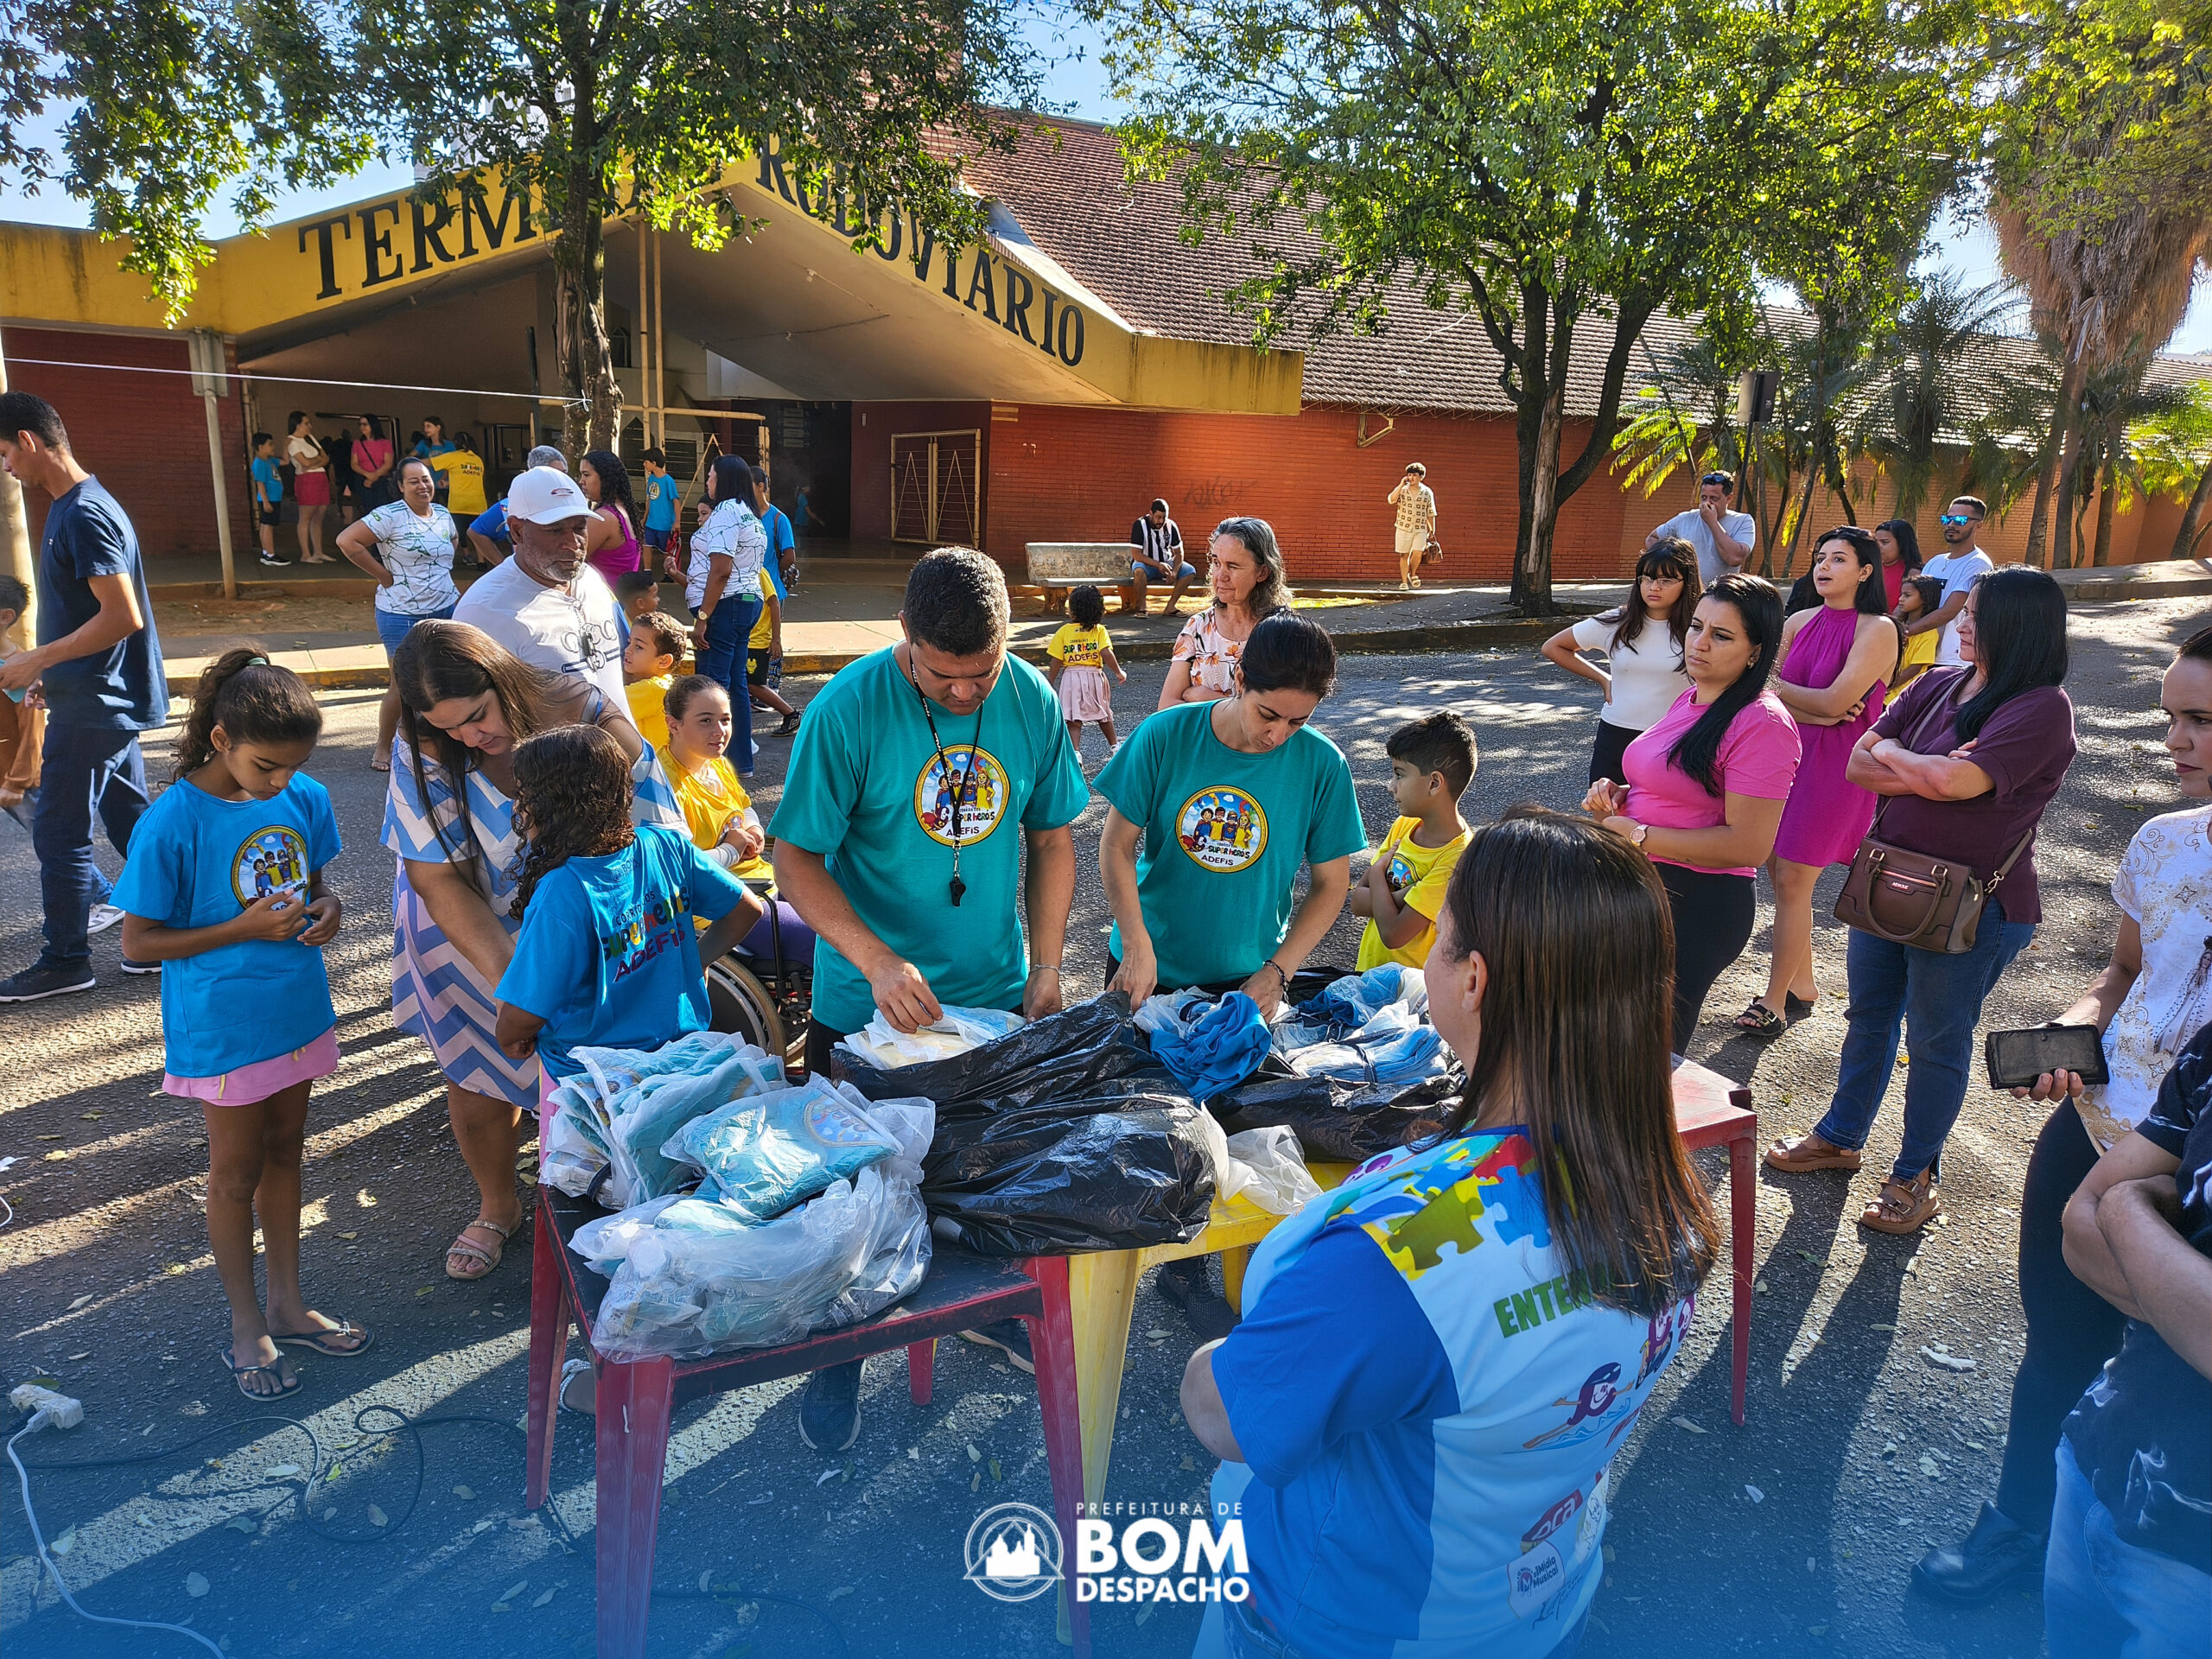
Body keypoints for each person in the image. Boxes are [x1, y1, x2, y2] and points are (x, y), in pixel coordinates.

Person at [1180, 808, 1720, 1659]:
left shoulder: (1397, 1259)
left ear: (1472, 980)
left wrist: (1209, 1359)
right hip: (1541, 1602)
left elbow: (1231, 1418)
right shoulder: (1662, 1188)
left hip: (1350, 1625)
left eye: (1438, 943)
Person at [1916, 624, 2212, 1605]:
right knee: (2056, 1353)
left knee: (2177, 1382)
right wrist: (2073, 1031)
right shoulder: (2164, 842)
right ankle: (2020, 1528)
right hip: (2092, 1131)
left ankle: (2146, 1568)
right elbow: (2123, 973)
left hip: (2190, 1174)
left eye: (2203, 720)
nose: (2176, 741)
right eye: (2171, 716)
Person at [770, 549, 1086, 1449]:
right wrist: (875, 960)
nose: (964, 691)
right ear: (904, 637)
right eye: (942, 675)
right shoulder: (847, 708)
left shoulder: (1029, 698)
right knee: (851, 1202)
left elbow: (1051, 840)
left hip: (989, 999)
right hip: (864, 1010)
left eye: (981, 672)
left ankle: (984, 1312)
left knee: (978, 1182)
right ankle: (839, 1354)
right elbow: (796, 860)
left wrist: (1047, 966)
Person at [1766, 567, 2076, 1233]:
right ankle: (1840, 1138)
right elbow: (1858, 762)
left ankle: (1915, 1175)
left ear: (2016, 626)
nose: (1960, 622)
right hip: (1888, 881)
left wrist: (1902, 757)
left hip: (1975, 905)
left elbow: (1956, 784)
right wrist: (1927, 766)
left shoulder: (2042, 707)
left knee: (1937, 1040)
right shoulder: (1937, 683)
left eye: (1976, 616)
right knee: (1868, 1018)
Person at [385, 620, 678, 1281]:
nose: (470, 737)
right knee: (478, 1079)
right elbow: (437, 878)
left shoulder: (582, 709)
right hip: (468, 933)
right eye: (448, 727)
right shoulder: (425, 745)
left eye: (477, 716)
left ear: (503, 680)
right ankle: (499, 1205)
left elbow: (653, 839)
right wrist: (518, 986)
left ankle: (611, 1200)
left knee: (605, 1084)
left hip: (590, 927)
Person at [111, 649, 366, 1396]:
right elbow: (138, 943)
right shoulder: (173, 821)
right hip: (223, 1025)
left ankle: (287, 1305)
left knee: (286, 1151)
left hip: (296, 1007)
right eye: (266, 766)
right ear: (221, 739)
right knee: (235, 1173)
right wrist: (244, 929)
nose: (281, 782)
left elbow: (315, 884)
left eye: (294, 766)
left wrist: (328, 909)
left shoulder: (304, 794)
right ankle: (245, 1324)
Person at [1102, 613, 1363, 1338]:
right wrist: (1136, 942)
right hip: (1149, 970)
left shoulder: (1320, 764)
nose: (1280, 734)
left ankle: (1191, 1272)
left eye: (1299, 720)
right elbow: (1115, 847)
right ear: (1239, 678)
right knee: (1142, 1128)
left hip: (1244, 984)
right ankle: (1124, 1259)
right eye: (1268, 713)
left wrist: (1280, 969)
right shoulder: (1167, 736)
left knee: (1228, 1138)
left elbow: (1332, 885)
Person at [2046, 1022, 2212, 1656]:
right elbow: (2079, 1221)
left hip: (2195, 1557)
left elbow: (2105, 1208)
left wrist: (2127, 1211)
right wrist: (2186, 1305)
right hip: (2097, 1462)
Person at [1582, 574, 1798, 1060]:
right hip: (1641, 885)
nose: (1699, 643)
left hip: (1696, 902)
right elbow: (1672, 785)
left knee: (1644, 1056)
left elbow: (1749, 845)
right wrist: (1620, 794)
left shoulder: (1762, 722)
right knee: (1602, 1040)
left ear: (1755, 651)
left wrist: (1639, 834)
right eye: (1697, 627)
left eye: (1721, 636)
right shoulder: (1693, 696)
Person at [0, 391, 169, 1003]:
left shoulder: (83, 513)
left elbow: (122, 615)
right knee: (134, 826)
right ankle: (171, 933)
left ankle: (67, 961)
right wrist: (54, 673)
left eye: (4, 454)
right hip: (99, 694)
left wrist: (38, 658)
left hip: (99, 704)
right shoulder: (77, 506)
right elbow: (90, 615)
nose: (6, 468)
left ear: (28, 440)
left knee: (59, 832)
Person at [493, 723, 763, 1077]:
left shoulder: (562, 890)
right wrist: (695, 963)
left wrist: (508, 1036)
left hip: (595, 1081)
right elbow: (746, 909)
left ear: (549, 805)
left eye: (522, 793)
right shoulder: (667, 846)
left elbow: (525, 1012)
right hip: (682, 1058)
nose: (516, 805)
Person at [1738, 526, 1897, 1035]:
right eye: (1820, 557)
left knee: (1792, 879)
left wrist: (1792, 695)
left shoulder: (1879, 629)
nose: (1824, 567)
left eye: (1839, 559)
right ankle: (1802, 982)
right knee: (1777, 872)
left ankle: (1774, 1001)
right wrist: (1816, 711)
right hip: (1780, 755)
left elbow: (1834, 702)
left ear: (1865, 571)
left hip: (1836, 769)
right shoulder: (1798, 620)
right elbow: (1756, 685)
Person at [662, 673, 818, 963]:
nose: (720, 731)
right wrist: (731, 850)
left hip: (760, 883)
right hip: (720, 910)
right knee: (828, 938)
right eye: (706, 721)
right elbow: (677, 872)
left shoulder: (717, 764)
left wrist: (753, 827)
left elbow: (744, 806)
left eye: (725, 720)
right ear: (674, 725)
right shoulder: (664, 788)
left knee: (856, 910)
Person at [452, 465, 627, 708]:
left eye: (579, 527)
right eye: (555, 530)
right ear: (517, 530)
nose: (573, 543)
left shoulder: (590, 579)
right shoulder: (484, 611)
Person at [336, 455, 460, 774]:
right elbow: (347, 541)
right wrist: (383, 575)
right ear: (401, 486)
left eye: (426, 479)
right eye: (414, 481)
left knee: (446, 679)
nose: (422, 485)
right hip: (400, 612)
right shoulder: (389, 516)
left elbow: (453, 542)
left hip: (446, 607)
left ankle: (441, 742)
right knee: (402, 684)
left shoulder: (443, 514)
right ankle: (384, 743)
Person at [1541, 539, 1700, 785]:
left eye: (1666, 580)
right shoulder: (1617, 622)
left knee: (1662, 808)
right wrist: (1603, 678)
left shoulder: (1699, 628)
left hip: (1675, 737)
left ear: (1687, 582)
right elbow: (1553, 647)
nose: (1654, 587)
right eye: (1646, 578)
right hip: (1616, 735)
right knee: (1605, 806)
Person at [1351, 711, 1477, 971]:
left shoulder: (1458, 859)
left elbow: (1393, 934)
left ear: (1434, 783)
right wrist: (1402, 897)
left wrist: (1378, 874)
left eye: (1399, 774)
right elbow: (1357, 902)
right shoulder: (1405, 826)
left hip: (1412, 990)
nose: (1391, 786)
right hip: (1369, 975)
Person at [683, 454, 769, 772]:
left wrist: (702, 618)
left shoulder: (725, 512)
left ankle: (711, 766)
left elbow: (721, 570)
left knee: (713, 686)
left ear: (724, 480)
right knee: (736, 684)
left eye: (711, 476)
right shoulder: (750, 514)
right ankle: (740, 762)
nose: (707, 482)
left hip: (725, 605)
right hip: (747, 603)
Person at [1158, 517, 1292, 710]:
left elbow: (1279, 713)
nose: (1220, 576)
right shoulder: (1198, 627)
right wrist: (1238, 707)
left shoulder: (1282, 633)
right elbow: (1166, 707)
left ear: (1262, 573)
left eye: (1233, 566)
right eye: (1216, 563)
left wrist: (1206, 698)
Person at [1906, 495, 1996, 669]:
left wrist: (1905, 632)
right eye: (1947, 519)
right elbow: (1915, 602)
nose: (1951, 524)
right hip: (1923, 655)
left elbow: (1949, 611)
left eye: (1960, 520)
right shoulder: (1935, 561)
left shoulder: (1978, 563)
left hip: (1952, 660)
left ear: (1978, 525)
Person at [1046, 583, 1126, 761]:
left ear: (1073, 611)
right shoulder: (1099, 631)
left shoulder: (1063, 632)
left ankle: (1076, 752)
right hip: (1094, 676)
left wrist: (1050, 679)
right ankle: (1114, 746)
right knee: (1104, 714)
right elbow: (1106, 653)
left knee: (1073, 718)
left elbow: (1056, 659)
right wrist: (1118, 672)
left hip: (1071, 678)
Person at [1644, 469, 1756, 588]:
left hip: (1721, 593)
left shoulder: (1743, 521)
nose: (1707, 503)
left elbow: (1735, 558)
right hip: (1687, 593)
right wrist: (1672, 564)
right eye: (1704, 497)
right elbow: (1652, 538)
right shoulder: (1684, 518)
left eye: (1714, 499)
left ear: (1728, 498)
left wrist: (1712, 522)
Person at [467, 442, 568, 564]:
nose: (561, 478)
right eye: (554, 473)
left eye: (564, 473)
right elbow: (475, 532)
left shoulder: (571, 503)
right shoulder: (510, 505)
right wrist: (503, 565)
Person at [0, 573, 42, 830]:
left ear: (6, 617)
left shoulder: (16, 670)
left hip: (14, 780)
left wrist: (17, 782)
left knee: (49, 841)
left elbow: (33, 730)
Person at [622, 610, 687, 751]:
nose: (627, 650)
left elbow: (602, 703)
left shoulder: (653, 689)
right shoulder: (665, 685)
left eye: (638, 647)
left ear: (664, 661)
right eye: (629, 642)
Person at [579, 448, 643, 588]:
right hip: (619, 597)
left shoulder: (604, 518)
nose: (581, 481)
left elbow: (572, 562)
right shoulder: (623, 511)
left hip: (603, 598)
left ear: (605, 478)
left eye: (586, 475)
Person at [746, 581, 801, 734]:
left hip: (756, 641)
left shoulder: (759, 573)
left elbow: (774, 602)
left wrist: (776, 639)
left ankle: (791, 714)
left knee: (754, 685)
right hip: (744, 639)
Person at [1129, 499, 1196, 614]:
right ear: (1151, 514)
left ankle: (1170, 607)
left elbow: (1179, 553)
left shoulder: (1171, 526)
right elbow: (1136, 554)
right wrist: (1158, 565)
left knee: (1190, 571)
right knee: (1139, 571)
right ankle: (1142, 608)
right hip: (1146, 564)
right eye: (1158, 517)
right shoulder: (1140, 525)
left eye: (1164, 517)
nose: (1161, 521)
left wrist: (1174, 572)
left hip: (1167, 564)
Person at [284, 412, 335, 564]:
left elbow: (325, 458)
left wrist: (314, 462)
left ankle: (318, 551)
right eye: (306, 423)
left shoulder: (310, 438)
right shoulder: (292, 442)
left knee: (319, 515)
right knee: (306, 516)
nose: (310, 426)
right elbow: (304, 463)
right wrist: (316, 461)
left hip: (321, 477)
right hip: (306, 480)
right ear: (297, 425)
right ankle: (306, 554)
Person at [435, 432, 489, 557]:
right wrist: (447, 483)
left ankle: (465, 555)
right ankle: (481, 561)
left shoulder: (454, 457)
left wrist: (410, 462)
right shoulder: (478, 460)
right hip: (478, 504)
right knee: (478, 533)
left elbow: (431, 462)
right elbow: (469, 479)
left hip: (458, 504)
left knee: (458, 533)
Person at [1387, 462, 1436, 590]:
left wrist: (1432, 530)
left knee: (1418, 553)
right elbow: (1391, 500)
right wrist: (1400, 484)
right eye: (1409, 475)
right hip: (1403, 527)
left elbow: (1431, 512)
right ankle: (1404, 582)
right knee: (1404, 555)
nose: (1411, 478)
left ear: (1421, 477)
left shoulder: (1427, 492)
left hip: (1420, 528)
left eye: (1414, 475)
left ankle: (1412, 573)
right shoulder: (1402, 489)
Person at [1892, 575, 1943, 691]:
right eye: (1901, 594)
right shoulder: (1898, 625)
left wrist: (1888, 686)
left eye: (1907, 595)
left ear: (1924, 598)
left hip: (1901, 694)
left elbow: (1915, 668)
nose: (1900, 599)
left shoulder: (1929, 633)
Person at [756, 462, 798, 594]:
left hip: (772, 588)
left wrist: (772, 571)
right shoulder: (744, 515)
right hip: (749, 589)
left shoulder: (779, 518)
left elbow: (789, 557)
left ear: (760, 486)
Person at [251, 433, 290, 568]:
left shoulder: (270, 460)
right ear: (261, 447)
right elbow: (260, 484)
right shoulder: (259, 463)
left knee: (265, 524)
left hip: (274, 498)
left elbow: (285, 461)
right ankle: (271, 554)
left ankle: (266, 552)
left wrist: (285, 447)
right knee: (268, 525)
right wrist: (266, 501)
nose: (273, 447)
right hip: (269, 499)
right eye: (270, 444)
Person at [639, 448, 679, 564]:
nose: (644, 464)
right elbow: (649, 500)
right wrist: (645, 517)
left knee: (666, 550)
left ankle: (668, 572)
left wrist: (677, 522)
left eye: (646, 462)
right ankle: (647, 571)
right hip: (651, 523)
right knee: (646, 546)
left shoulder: (668, 481)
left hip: (665, 524)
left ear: (654, 463)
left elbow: (676, 501)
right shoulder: (651, 479)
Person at [1876, 517, 1924, 611]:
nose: (1878, 546)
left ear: (1902, 543)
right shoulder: (1872, 568)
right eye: (1876, 542)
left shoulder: (1914, 573)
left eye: (1884, 542)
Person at [353, 415, 396, 509]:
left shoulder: (385, 443)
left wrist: (374, 476)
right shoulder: (357, 443)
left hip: (381, 480)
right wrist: (367, 474)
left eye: (365, 424)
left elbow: (388, 463)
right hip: (363, 480)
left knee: (382, 508)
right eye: (360, 424)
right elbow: (354, 464)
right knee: (368, 508)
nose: (362, 427)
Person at [414, 415, 455, 508]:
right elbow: (411, 456)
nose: (425, 429)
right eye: (424, 427)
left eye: (428, 426)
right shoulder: (423, 444)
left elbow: (452, 464)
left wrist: (443, 479)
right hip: (429, 484)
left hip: (446, 484)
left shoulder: (449, 445)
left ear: (438, 427)